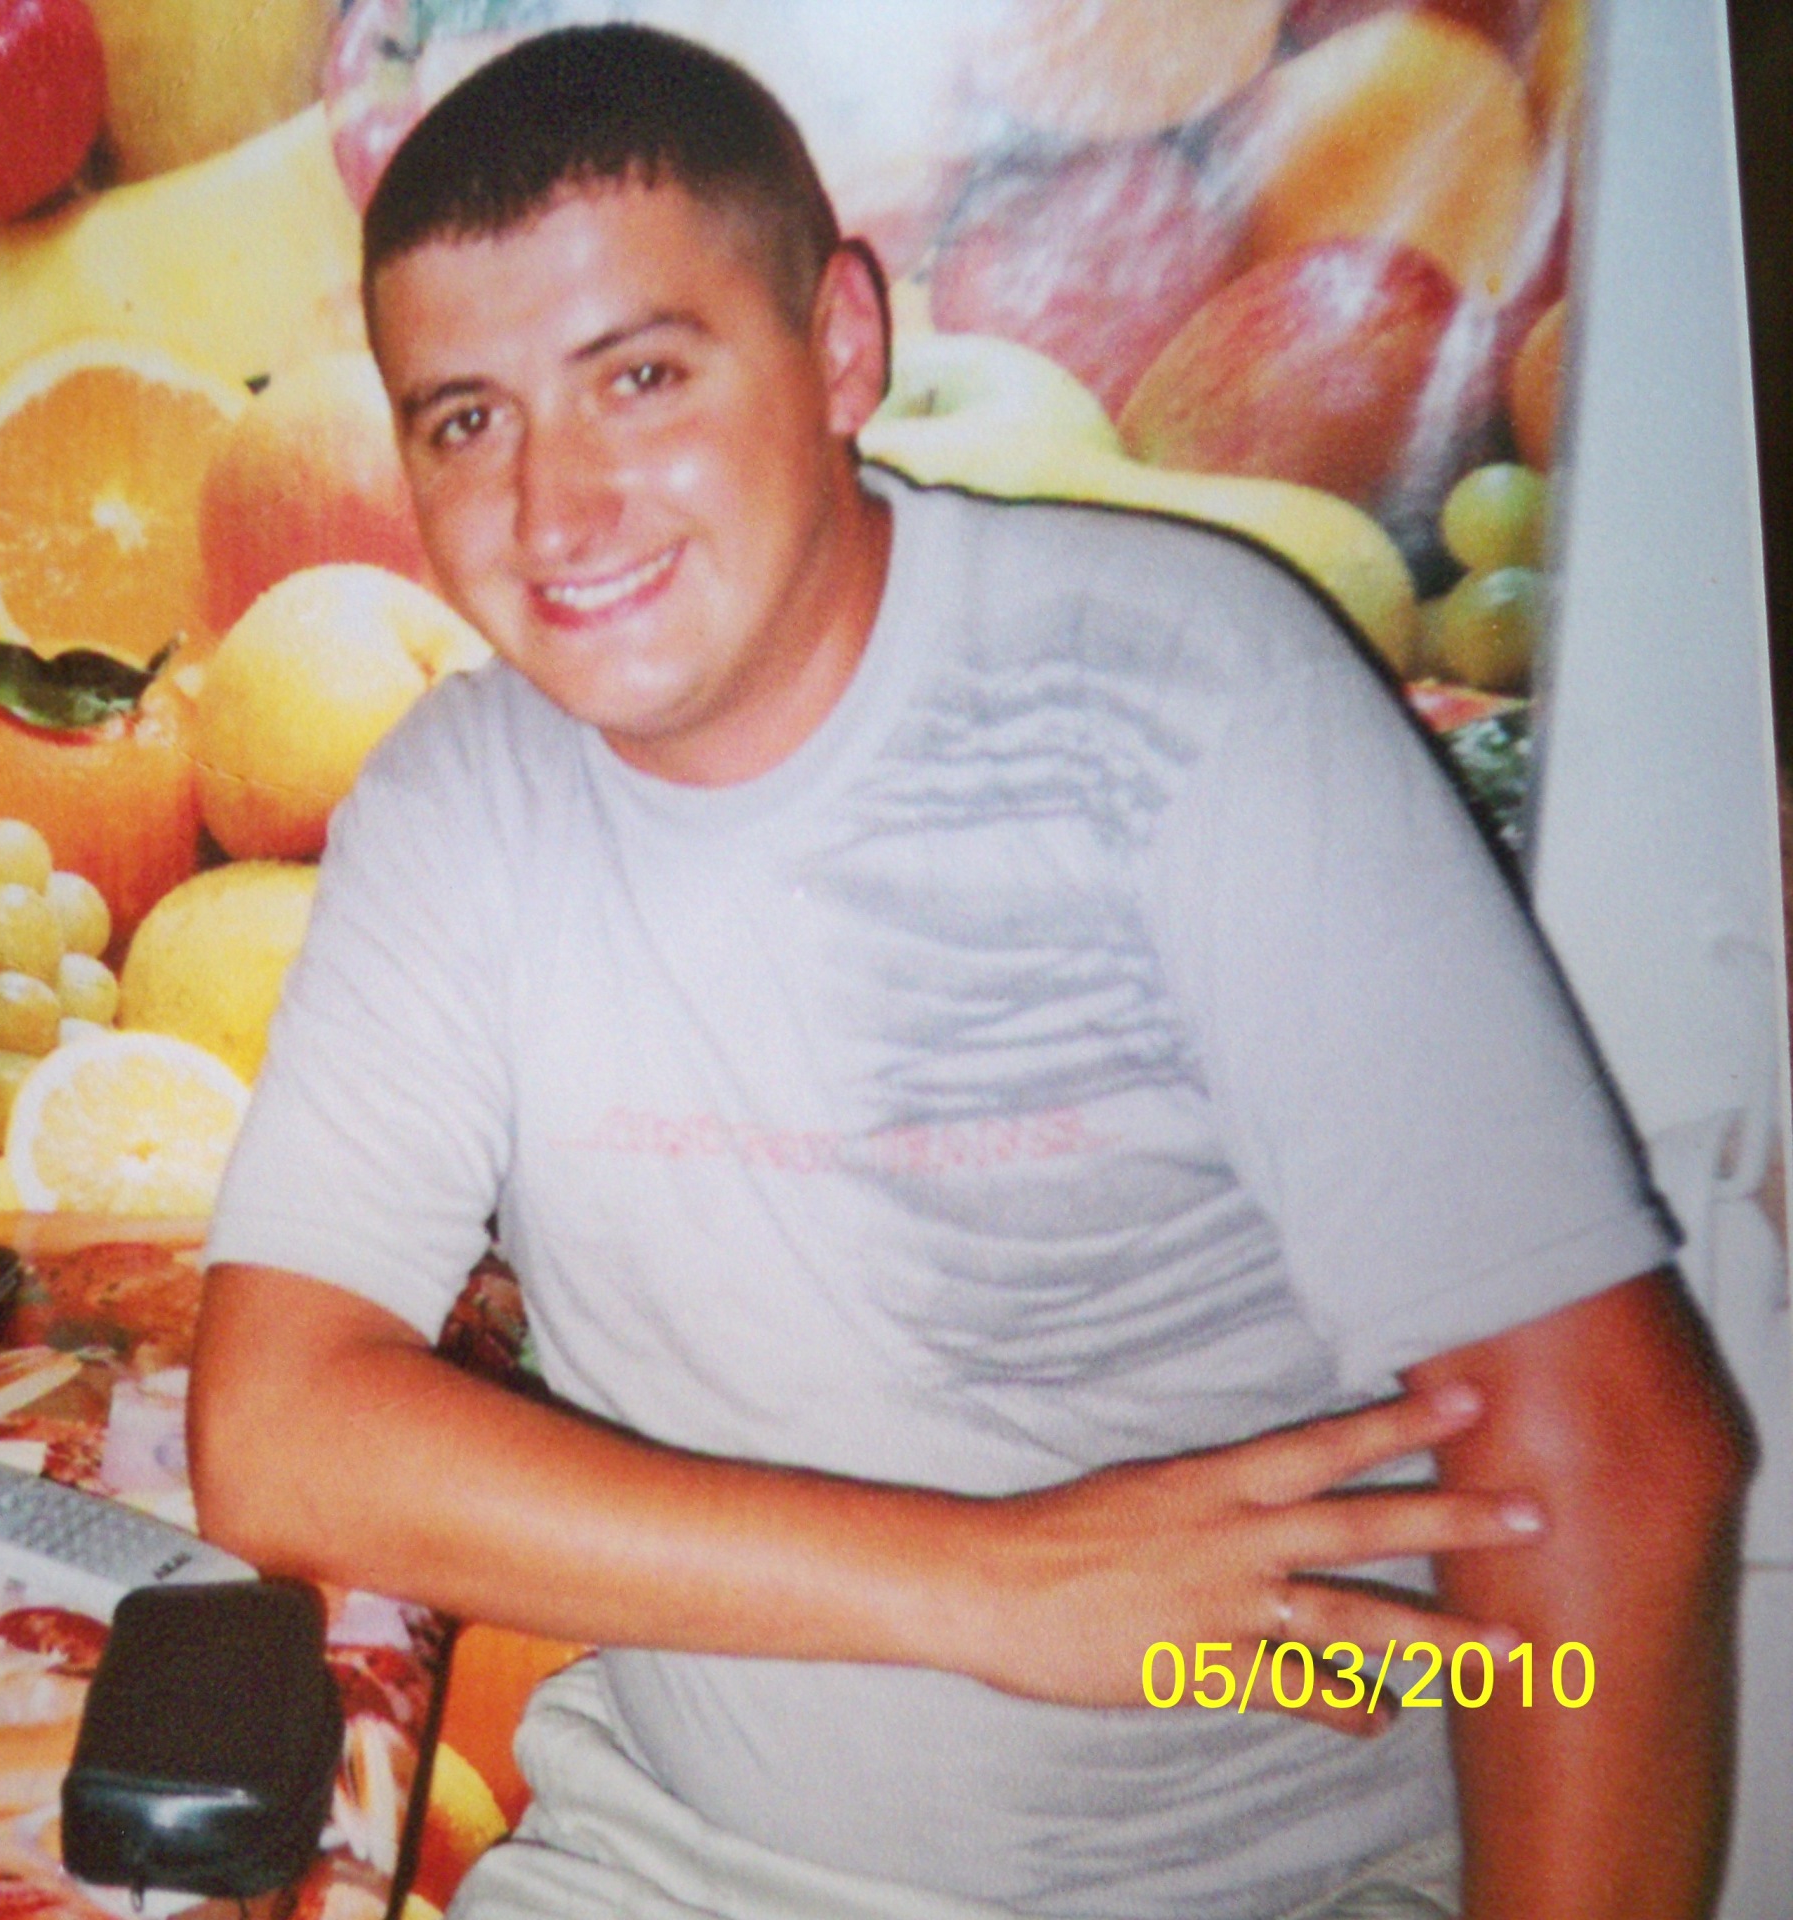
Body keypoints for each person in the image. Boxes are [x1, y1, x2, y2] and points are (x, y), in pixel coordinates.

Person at [190, 24, 1751, 1920]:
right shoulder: (457, 800)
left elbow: (1613, 1475)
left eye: (640, 376)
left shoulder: (1187, 698)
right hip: (673, 1867)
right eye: (467, 420)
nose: (554, 510)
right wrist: (991, 1585)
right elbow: (279, 1432)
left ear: (843, 344)